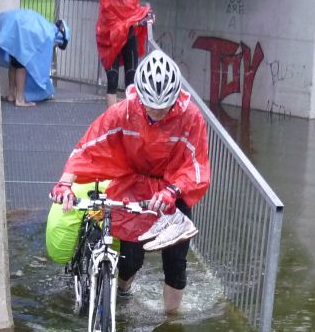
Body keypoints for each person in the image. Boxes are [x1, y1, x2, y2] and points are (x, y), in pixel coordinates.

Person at [50, 50, 210, 314]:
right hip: (134, 185)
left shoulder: (190, 117)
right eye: (151, 107)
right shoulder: (124, 112)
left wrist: (173, 190)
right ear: (141, 98)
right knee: (130, 258)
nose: (157, 113)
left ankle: (171, 322)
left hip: (173, 188)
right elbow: (89, 146)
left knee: (176, 261)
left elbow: (196, 164)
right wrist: (65, 183)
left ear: (175, 99)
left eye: (164, 108)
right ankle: (123, 292)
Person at [96, 0, 153, 109]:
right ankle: (111, 119)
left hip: (128, 38)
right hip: (111, 40)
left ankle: (130, 119)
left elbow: (133, 11)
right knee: (112, 80)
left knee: (131, 80)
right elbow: (112, 23)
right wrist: (134, 21)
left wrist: (144, 15)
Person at [0, 8, 69, 106]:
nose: (55, 47)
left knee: (14, 62)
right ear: (59, 40)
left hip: (9, 20)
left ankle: (11, 95)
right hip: (19, 28)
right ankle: (20, 99)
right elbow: (40, 66)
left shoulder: (47, 27)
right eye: (57, 46)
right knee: (22, 64)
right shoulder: (49, 36)